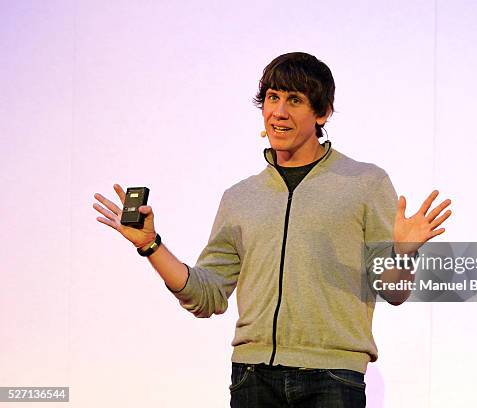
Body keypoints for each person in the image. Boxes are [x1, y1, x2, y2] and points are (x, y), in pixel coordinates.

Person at [93, 52, 451, 407]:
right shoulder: (240, 196)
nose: (279, 111)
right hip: (252, 377)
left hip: (332, 379)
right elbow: (207, 296)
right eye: (272, 98)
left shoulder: (365, 183)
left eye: (294, 100)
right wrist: (151, 245)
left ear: (322, 113)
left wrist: (404, 253)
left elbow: (393, 291)